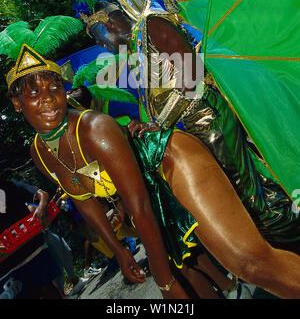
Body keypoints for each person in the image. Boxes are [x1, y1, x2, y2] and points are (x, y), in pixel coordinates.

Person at [6, 44, 300, 299]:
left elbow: (140, 204)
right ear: (17, 104)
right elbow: (82, 199)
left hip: (171, 163)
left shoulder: (95, 129)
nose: (47, 97)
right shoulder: (39, 151)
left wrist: (163, 280)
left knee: (247, 262)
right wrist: (119, 251)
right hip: (148, 191)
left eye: (54, 87)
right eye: (33, 93)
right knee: (185, 275)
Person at [0, 171, 62, 299]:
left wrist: (42, 206)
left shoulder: (9, 187)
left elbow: (42, 194)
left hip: (31, 250)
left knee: (49, 290)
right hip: (6, 266)